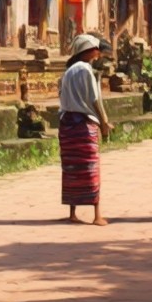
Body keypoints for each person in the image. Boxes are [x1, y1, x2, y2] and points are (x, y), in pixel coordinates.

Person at [58, 33, 112, 225]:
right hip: (83, 126)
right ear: (89, 51)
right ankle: (96, 214)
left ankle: (73, 211)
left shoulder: (68, 72)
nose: (98, 54)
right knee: (90, 168)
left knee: (72, 169)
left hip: (67, 125)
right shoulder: (86, 71)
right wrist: (104, 122)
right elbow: (95, 99)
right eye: (96, 50)